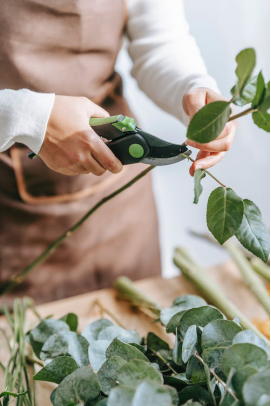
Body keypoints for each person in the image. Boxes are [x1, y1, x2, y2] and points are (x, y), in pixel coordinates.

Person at [0, 0, 237, 305]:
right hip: (11, 219)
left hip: (122, 210)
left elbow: (160, 42)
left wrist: (193, 87)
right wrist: (27, 117)